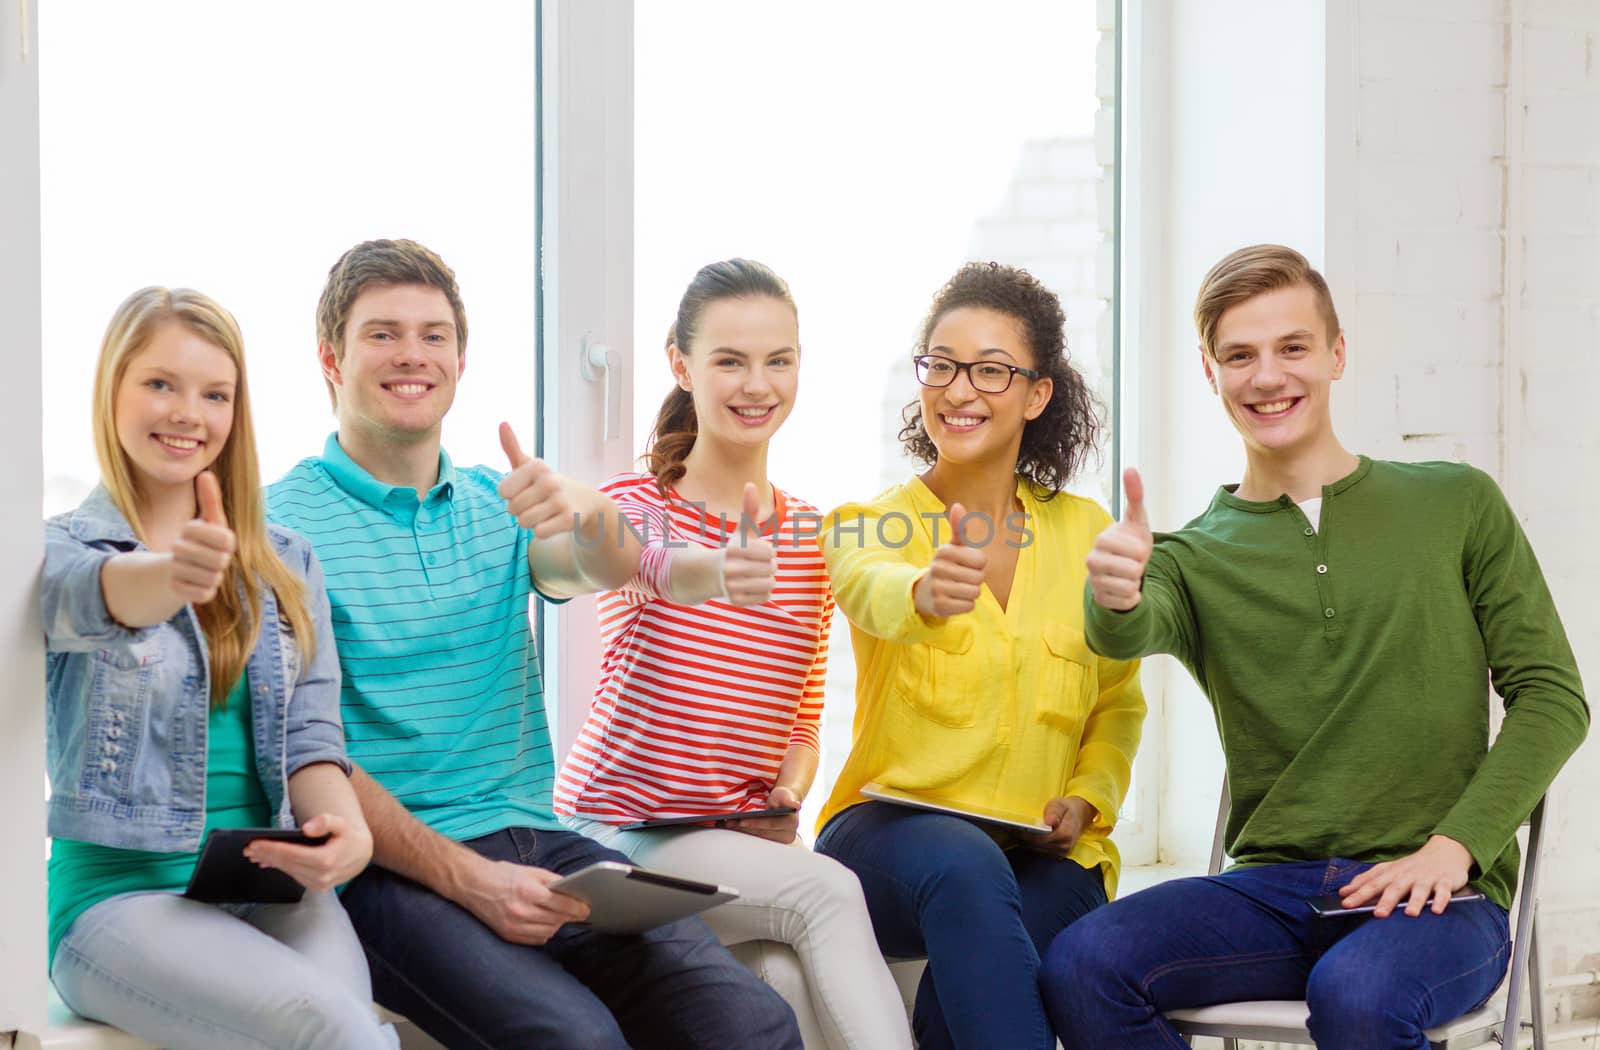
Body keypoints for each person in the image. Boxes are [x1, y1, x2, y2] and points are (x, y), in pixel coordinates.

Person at [1041, 244, 1589, 1049]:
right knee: (1083, 962)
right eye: (1241, 355)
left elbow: (1553, 696)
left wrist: (1456, 847)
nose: (1268, 377)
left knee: (1358, 994)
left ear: (1336, 353)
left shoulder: (1456, 503)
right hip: (1269, 891)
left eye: (1292, 347)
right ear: (1210, 372)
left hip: (1438, 896)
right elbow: (1122, 624)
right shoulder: (1190, 557)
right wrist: (1113, 587)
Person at [265, 239, 802, 1050]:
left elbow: (614, 562)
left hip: (542, 839)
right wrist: (471, 880)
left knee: (749, 1020)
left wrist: (592, 513)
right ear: (330, 358)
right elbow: (306, 752)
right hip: (390, 867)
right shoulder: (280, 527)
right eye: (383, 333)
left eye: (434, 334)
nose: (412, 353)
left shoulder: (499, 503)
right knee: (575, 1040)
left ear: (461, 359)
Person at [554, 259, 913, 1050]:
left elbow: (804, 719)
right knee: (829, 895)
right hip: (619, 835)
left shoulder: (815, 538)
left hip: (732, 841)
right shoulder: (635, 510)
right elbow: (627, 562)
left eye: (778, 360)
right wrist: (709, 568)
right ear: (680, 366)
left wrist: (784, 794)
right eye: (730, 360)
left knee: (784, 982)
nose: (758, 384)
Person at [42, 287, 393, 1049]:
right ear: (113, 391)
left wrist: (350, 831)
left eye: (215, 393)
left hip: (266, 884)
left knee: (351, 1027)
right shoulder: (58, 550)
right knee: (340, 1034)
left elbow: (311, 737)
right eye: (160, 384)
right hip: (116, 902)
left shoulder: (287, 560)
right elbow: (91, 599)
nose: (187, 413)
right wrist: (171, 576)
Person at [812, 262, 1146, 1050]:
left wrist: (1088, 800)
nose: (960, 391)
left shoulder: (1086, 530)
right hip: (887, 838)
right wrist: (924, 593)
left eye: (992, 370)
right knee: (963, 866)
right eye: (943, 364)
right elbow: (868, 588)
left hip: (1044, 853)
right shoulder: (868, 523)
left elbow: (1118, 701)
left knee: (960, 1001)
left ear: (1037, 394)